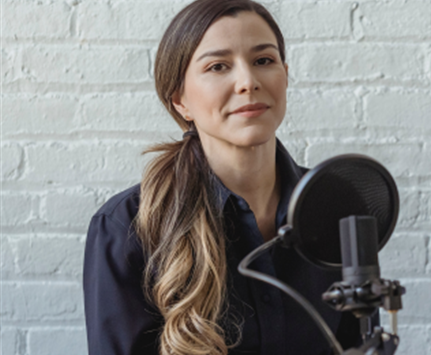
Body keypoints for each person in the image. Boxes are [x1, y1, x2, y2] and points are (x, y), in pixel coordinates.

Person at [82, 1, 368, 354]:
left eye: (263, 60)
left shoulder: (335, 205)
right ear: (180, 101)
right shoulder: (125, 226)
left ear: (285, 74)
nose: (248, 82)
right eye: (218, 66)